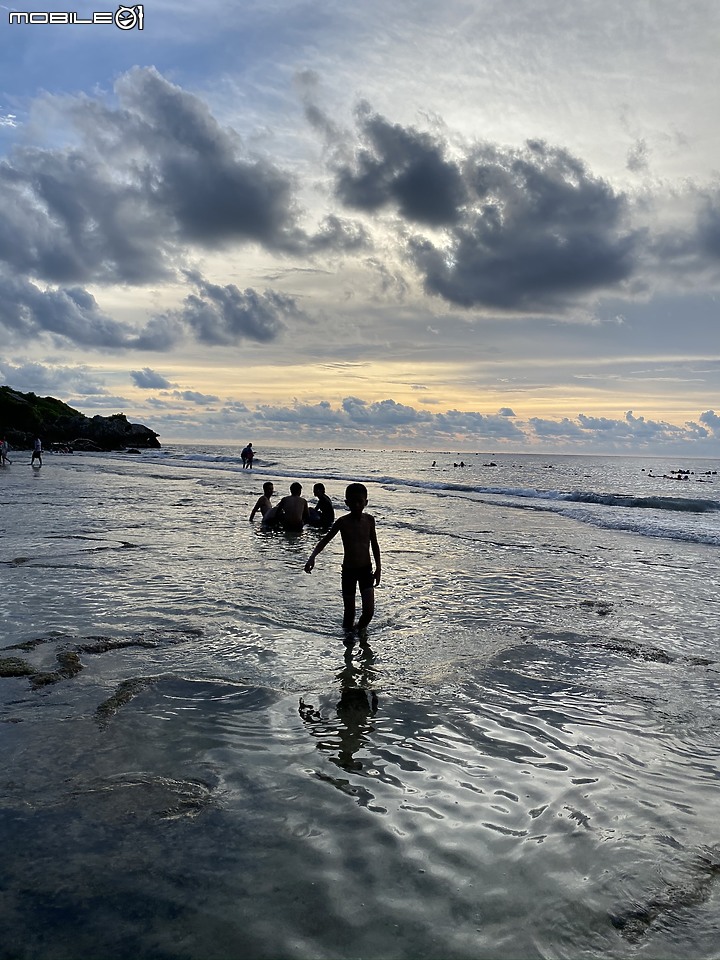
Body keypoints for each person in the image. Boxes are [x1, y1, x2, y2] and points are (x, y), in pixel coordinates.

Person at [304, 482, 381, 634]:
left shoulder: (369, 520)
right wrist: (312, 557)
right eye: (353, 502)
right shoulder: (343, 522)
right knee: (349, 613)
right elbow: (324, 541)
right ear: (347, 503)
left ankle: (358, 631)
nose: (357, 505)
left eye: (360, 501)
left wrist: (378, 568)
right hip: (349, 572)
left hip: (366, 570)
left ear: (366, 502)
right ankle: (348, 640)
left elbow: (375, 545)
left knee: (369, 611)